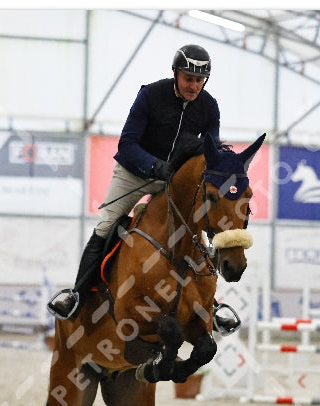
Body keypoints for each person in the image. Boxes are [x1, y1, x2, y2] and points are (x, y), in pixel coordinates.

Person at [47, 44, 241, 335]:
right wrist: (154, 167)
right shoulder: (150, 95)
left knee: (195, 232)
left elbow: (209, 154)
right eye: (188, 78)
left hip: (175, 181)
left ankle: (211, 307)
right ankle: (77, 295)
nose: (193, 85)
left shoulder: (209, 106)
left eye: (199, 80)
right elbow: (127, 144)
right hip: (135, 172)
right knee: (107, 224)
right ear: (175, 73)